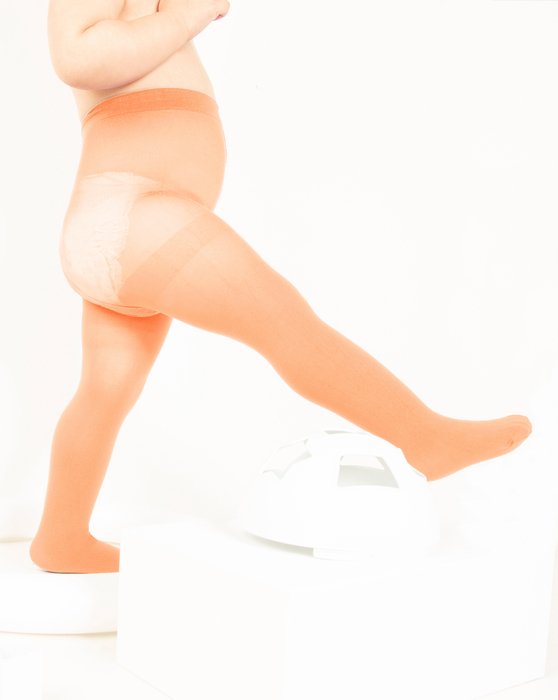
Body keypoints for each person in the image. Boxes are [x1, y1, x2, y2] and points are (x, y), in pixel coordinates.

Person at [30, 0, 532, 574]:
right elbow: (75, 56)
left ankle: (61, 536)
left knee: (105, 391)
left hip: (121, 223)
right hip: (135, 210)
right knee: (285, 324)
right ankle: (424, 438)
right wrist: (190, 16)